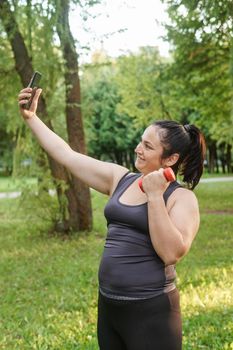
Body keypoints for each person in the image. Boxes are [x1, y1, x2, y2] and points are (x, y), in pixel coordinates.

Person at [18, 86, 206, 350]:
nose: (138, 149)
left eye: (148, 146)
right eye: (141, 141)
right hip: (110, 306)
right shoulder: (121, 178)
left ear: (170, 158)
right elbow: (67, 156)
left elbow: (171, 253)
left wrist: (154, 196)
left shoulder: (181, 198)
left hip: (151, 311)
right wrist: (31, 118)